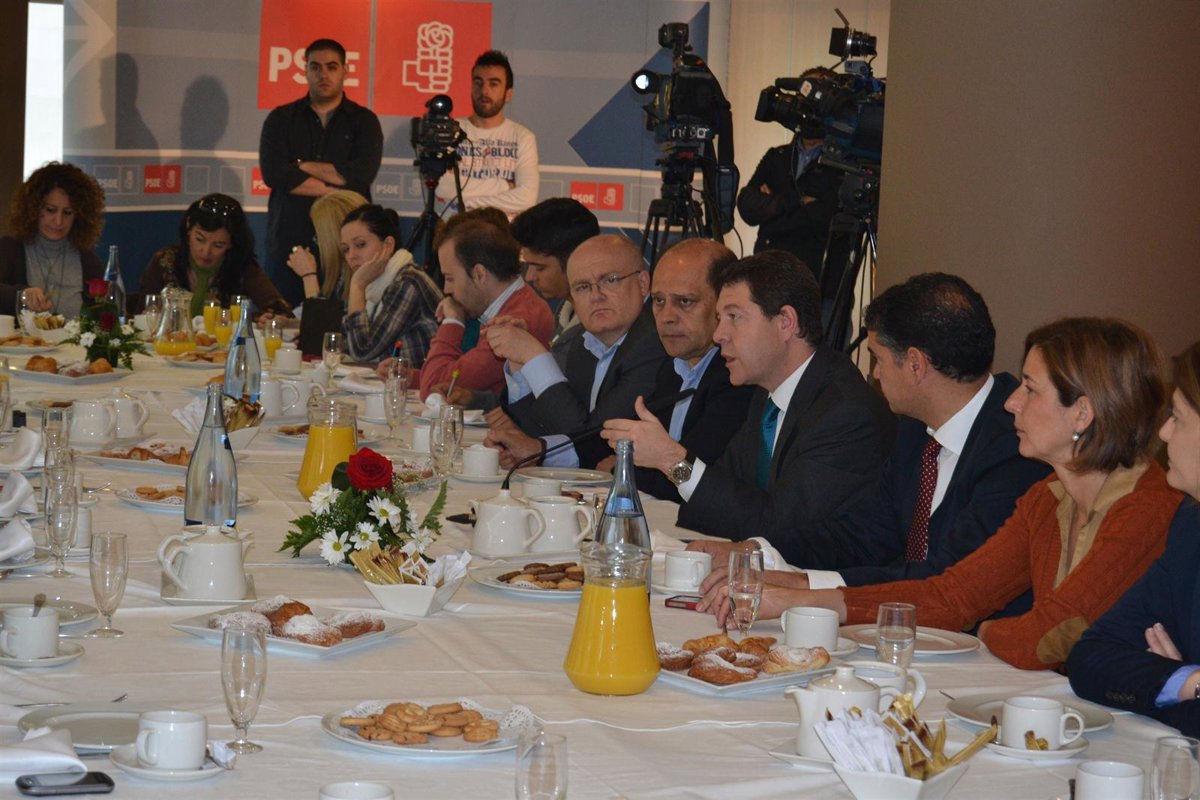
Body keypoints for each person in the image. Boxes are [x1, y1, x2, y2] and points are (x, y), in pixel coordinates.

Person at [700, 318, 1183, 671]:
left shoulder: (1145, 508)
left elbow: (1043, 638)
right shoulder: (1048, 497)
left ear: (1082, 413)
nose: (1012, 401)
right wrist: (792, 600)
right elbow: (951, 596)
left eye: (1031, 390)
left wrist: (987, 630)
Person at [688, 273, 1049, 596]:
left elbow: (948, 579)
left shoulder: (1014, 448)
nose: (875, 374)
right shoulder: (914, 430)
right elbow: (861, 534)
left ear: (915, 365)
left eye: (878, 358)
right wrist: (757, 553)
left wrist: (804, 585)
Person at [617, 250, 892, 544]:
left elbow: (779, 528)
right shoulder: (766, 397)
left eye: (734, 317)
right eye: (720, 318)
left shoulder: (844, 412)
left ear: (785, 322)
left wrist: (672, 461)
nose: (719, 335)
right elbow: (726, 494)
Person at [1068, 342, 1200, 733]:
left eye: (1178, 418)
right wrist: (1188, 682)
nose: (1164, 432)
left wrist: (1169, 687)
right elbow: (1091, 656)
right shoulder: (1190, 526)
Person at [483, 234, 666, 470]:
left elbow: (593, 440)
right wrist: (520, 363)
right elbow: (554, 430)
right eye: (582, 287)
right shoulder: (583, 341)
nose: (596, 296)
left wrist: (533, 356)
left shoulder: (654, 340)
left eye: (610, 280)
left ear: (642, 283)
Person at [599, 239, 754, 501]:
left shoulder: (738, 377)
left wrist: (620, 468)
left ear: (724, 304)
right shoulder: (671, 367)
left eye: (684, 301)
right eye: (659, 301)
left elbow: (690, 480)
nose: (667, 317)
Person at [260, 38, 383, 306]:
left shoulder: (364, 121)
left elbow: (360, 176)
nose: (323, 75)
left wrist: (300, 165)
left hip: (346, 243)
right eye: (315, 67)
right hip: (290, 238)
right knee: (285, 317)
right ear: (305, 70)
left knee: (346, 318)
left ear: (345, 71)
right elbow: (274, 174)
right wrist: (337, 187)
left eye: (331, 67)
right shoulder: (281, 118)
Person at [417, 219, 554, 398]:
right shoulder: (513, 305)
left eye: (450, 279)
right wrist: (413, 377)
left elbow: (434, 389)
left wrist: (452, 321)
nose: (446, 290)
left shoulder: (515, 320)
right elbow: (458, 378)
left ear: (479, 274)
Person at [736, 67, 839, 279]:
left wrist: (772, 206)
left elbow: (826, 219)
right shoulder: (777, 156)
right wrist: (798, 201)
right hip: (766, 276)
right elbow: (747, 206)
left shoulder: (842, 165)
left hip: (817, 281)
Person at [140, 193, 291, 319]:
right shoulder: (166, 261)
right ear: (188, 227)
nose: (206, 252)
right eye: (200, 239)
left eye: (218, 245)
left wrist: (258, 319)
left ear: (232, 242)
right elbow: (142, 315)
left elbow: (281, 312)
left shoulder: (241, 267)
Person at [436, 50, 538, 216]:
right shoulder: (449, 130)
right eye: (478, 83)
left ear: (508, 94)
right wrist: (505, 186)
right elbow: (442, 187)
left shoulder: (523, 137)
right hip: (456, 230)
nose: (484, 91)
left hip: (503, 231)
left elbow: (527, 197)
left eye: (494, 84)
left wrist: (468, 204)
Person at [0, 161, 106, 318]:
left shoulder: (88, 260)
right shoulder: (10, 249)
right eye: (50, 210)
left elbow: (107, 312)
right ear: (34, 208)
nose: (58, 221)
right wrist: (22, 295)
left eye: (67, 212)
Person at [339, 204, 441, 365]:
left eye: (360, 245)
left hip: (417, 380)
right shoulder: (374, 284)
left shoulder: (407, 282)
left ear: (388, 245)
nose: (351, 256)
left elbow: (362, 351)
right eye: (345, 249)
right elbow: (347, 346)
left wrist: (357, 286)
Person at [510, 198, 598, 339]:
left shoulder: (604, 327)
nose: (529, 277)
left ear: (575, 261)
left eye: (540, 268)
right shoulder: (565, 311)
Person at [286, 189, 368, 305]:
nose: (318, 243)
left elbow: (319, 316)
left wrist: (309, 276)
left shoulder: (368, 275)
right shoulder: (343, 271)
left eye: (319, 236)